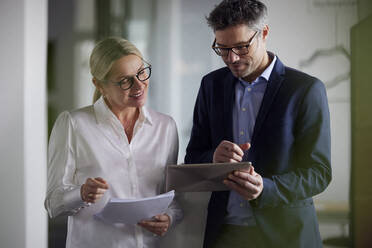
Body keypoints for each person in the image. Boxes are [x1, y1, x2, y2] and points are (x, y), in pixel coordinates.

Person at [185, 0, 331, 247]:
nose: (231, 58)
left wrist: (267, 188)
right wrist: (213, 156)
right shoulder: (211, 85)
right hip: (225, 233)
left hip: (286, 236)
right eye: (222, 48)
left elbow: (319, 172)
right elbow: (193, 158)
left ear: (264, 33)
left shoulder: (306, 89)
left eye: (241, 47)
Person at [45, 37, 182, 248]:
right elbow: (53, 203)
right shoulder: (73, 124)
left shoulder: (166, 126)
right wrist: (81, 193)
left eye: (141, 72)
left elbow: (172, 196)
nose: (139, 85)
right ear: (99, 85)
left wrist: (170, 217)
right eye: (125, 80)